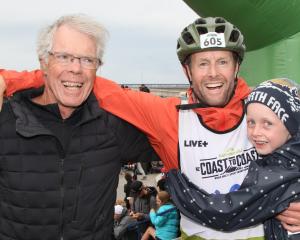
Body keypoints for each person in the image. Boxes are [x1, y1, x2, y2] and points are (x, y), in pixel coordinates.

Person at [1, 16, 300, 239]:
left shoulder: (267, 106)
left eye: (222, 61)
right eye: (202, 63)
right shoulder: (166, 116)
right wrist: (11, 79)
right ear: (187, 70)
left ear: (236, 67)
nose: (213, 74)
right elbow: (84, 81)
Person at [0, 14, 160, 240]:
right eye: (64, 57)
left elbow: (182, 139)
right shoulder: (6, 121)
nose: (76, 69)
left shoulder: (112, 125)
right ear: (43, 62)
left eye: (87, 60)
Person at [166, 78, 300, 239]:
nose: (256, 132)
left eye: (267, 124)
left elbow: (226, 214)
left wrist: (178, 188)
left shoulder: (282, 169)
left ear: (291, 125)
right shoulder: (289, 155)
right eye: (250, 122)